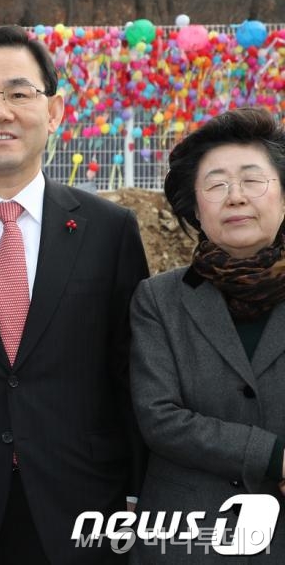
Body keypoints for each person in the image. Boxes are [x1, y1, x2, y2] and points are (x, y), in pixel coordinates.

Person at [0, 26, 149, 564]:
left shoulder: (110, 231)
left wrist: (138, 495)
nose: (1, 112)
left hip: (84, 505)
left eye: (19, 93)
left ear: (54, 111)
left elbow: (128, 370)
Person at [129, 107, 285, 562]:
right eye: (216, 185)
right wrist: (273, 456)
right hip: (189, 537)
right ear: (196, 208)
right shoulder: (159, 299)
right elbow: (159, 416)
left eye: (253, 180)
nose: (235, 197)